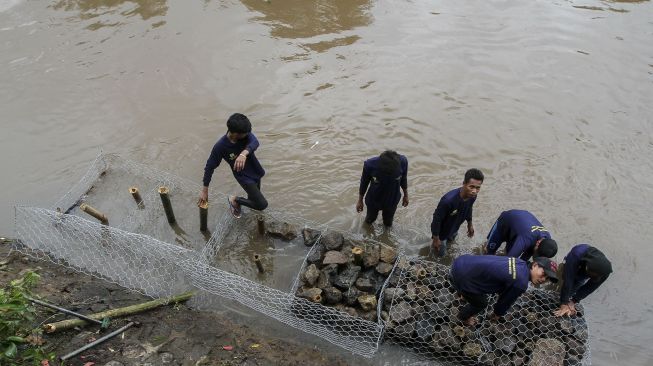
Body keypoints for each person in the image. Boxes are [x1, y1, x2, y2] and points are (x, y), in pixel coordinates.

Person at [450, 255, 559, 326]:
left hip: (461, 261)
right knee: (481, 303)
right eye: (544, 274)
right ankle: (463, 317)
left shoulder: (520, 262)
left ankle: (463, 293)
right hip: (461, 277)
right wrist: (497, 314)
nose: (543, 279)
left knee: (484, 283)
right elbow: (504, 301)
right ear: (535, 265)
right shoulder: (520, 283)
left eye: (547, 278)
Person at [198, 113, 268, 218]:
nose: (248, 134)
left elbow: (255, 142)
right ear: (236, 134)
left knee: (253, 200)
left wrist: (243, 154)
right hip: (244, 177)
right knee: (262, 204)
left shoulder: (246, 135)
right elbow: (209, 167)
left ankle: (249, 216)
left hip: (255, 170)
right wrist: (204, 190)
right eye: (245, 133)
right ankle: (235, 200)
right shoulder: (220, 146)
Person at [430, 168, 484, 257]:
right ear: (464, 183)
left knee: (451, 244)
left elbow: (469, 208)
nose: (474, 191)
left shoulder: (473, 196)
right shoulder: (448, 201)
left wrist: (470, 224)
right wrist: (436, 239)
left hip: (455, 228)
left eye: (478, 188)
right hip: (442, 234)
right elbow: (436, 220)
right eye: (471, 186)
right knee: (440, 255)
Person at [554, 244, 612, 317]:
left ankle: (566, 297)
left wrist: (573, 301)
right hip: (574, 262)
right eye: (592, 276)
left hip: (588, 270)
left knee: (576, 285)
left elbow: (590, 288)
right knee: (564, 278)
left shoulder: (605, 271)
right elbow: (568, 280)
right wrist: (564, 303)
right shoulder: (576, 254)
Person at [356, 150, 408, 227]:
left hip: (392, 199)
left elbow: (404, 179)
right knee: (370, 219)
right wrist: (360, 200)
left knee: (388, 222)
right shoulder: (369, 165)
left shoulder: (403, 162)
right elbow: (364, 182)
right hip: (374, 199)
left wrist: (406, 195)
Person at [485, 209, 557, 261]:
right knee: (489, 253)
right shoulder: (526, 239)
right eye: (537, 253)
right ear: (538, 243)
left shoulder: (547, 238)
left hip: (519, 231)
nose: (535, 255)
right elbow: (507, 262)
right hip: (504, 222)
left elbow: (525, 258)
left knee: (511, 253)